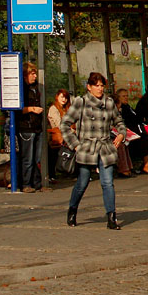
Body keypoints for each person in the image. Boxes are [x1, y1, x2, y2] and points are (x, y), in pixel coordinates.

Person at [60, 72, 126, 229]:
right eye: (96, 85)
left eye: (102, 85)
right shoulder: (80, 102)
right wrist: (75, 144)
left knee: (107, 183)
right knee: (82, 183)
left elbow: (119, 121)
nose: (100, 89)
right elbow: (65, 124)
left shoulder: (109, 103)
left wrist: (121, 134)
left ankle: (111, 217)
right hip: (86, 148)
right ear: (89, 87)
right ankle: (72, 210)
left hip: (105, 148)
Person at [17, 63, 45, 192]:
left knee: (36, 158)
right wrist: (32, 109)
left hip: (36, 125)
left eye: (35, 73)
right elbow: (16, 109)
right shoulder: (21, 89)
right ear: (25, 75)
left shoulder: (35, 88)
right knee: (27, 158)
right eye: (32, 73)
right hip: (26, 126)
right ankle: (26, 183)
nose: (34, 76)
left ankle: (37, 183)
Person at [46, 89, 71, 180]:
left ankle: (68, 170)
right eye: (62, 97)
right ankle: (52, 175)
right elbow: (59, 124)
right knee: (53, 156)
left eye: (66, 97)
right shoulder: (53, 108)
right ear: (57, 97)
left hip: (66, 134)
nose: (64, 99)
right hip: (57, 136)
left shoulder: (67, 108)